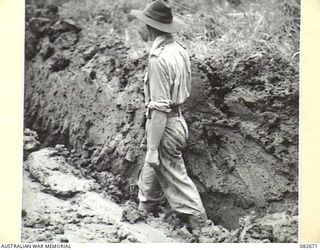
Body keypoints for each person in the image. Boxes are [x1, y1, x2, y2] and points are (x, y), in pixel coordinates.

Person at [130, 0, 207, 229]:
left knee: (175, 178)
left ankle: (203, 228)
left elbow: (159, 109)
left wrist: (153, 148)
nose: (138, 27)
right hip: (177, 120)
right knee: (151, 167)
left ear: (151, 27)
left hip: (166, 125)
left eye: (141, 23)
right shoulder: (178, 50)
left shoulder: (158, 60)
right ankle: (143, 211)